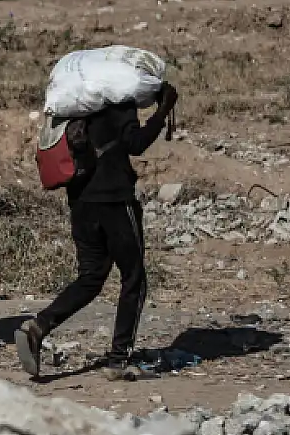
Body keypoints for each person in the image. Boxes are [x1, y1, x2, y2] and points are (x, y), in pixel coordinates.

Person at [16, 83, 179, 381]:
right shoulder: (120, 104)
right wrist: (164, 109)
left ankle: (39, 326)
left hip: (81, 203)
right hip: (115, 200)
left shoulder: (73, 108)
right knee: (134, 278)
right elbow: (137, 143)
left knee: (91, 277)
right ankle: (119, 360)